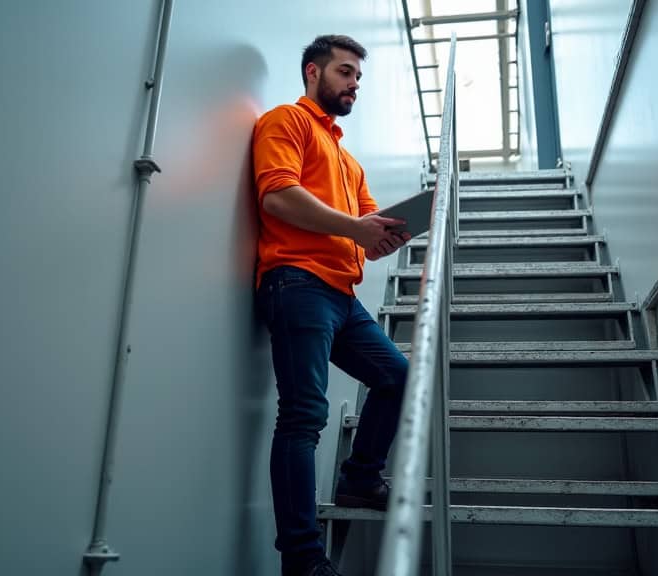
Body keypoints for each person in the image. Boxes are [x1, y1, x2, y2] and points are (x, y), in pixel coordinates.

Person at [253, 34, 411, 576]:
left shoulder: (348, 161)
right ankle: (303, 561)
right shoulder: (286, 121)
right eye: (345, 72)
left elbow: (367, 226)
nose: (354, 84)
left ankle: (360, 479)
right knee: (304, 417)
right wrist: (357, 228)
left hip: (342, 295)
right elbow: (277, 195)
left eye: (358, 77)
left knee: (397, 376)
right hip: (296, 282)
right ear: (313, 72)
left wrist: (383, 236)